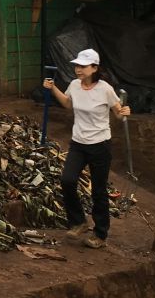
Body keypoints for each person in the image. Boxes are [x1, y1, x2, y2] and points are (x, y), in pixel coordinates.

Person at [42, 48, 130, 250]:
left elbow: (118, 113)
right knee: (67, 180)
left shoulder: (105, 89)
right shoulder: (74, 85)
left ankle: (100, 233)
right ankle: (79, 222)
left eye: (82, 66)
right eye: (77, 65)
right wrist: (52, 88)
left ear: (94, 68)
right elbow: (67, 104)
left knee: (98, 191)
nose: (78, 69)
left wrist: (125, 111)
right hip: (78, 143)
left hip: (100, 145)